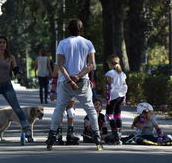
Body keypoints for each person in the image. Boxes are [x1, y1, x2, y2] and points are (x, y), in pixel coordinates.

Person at [45, 18, 102, 150]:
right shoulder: (88, 43)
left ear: (68, 29)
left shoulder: (63, 43)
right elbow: (91, 65)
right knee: (90, 109)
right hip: (82, 82)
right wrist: (78, 76)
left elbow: (60, 64)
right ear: (81, 29)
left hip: (65, 82)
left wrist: (70, 80)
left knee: (59, 109)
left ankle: (52, 137)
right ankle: (97, 138)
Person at [50, 63, 80, 145]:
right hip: (62, 88)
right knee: (60, 110)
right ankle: (58, 133)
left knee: (71, 110)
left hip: (72, 88)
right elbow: (54, 78)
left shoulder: (74, 61)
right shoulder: (58, 64)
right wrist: (52, 91)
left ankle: (70, 133)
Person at [104, 55, 128, 145]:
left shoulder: (110, 73)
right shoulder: (122, 73)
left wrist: (107, 98)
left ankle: (115, 133)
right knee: (118, 115)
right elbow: (125, 86)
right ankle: (119, 132)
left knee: (109, 115)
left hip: (113, 96)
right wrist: (124, 98)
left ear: (110, 64)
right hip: (121, 96)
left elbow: (109, 87)